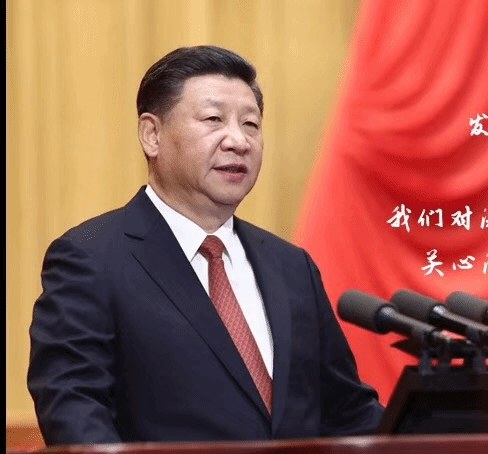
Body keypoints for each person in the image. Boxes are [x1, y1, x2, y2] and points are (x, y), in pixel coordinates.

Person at [27, 45, 384, 445]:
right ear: (152, 135)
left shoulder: (292, 266)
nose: (239, 140)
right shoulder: (91, 258)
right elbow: (75, 407)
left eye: (251, 124)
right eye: (214, 119)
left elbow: (347, 413)